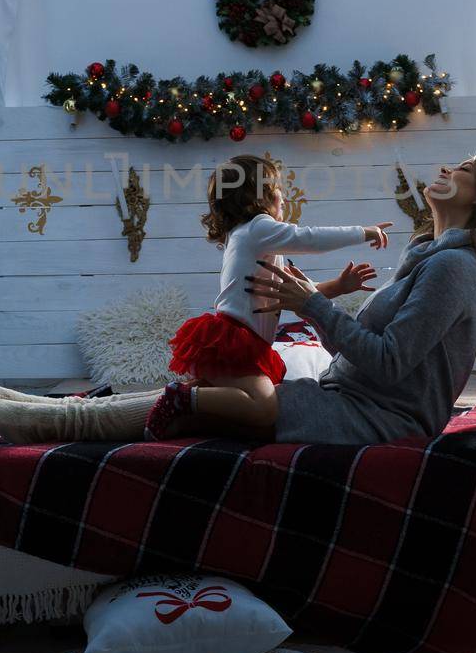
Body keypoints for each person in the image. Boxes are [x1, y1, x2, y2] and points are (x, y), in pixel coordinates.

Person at [0, 155, 476, 445]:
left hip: (379, 423)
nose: (448, 168)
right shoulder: (434, 258)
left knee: (207, 404)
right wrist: (319, 298)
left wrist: (314, 302)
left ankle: (42, 420)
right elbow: (370, 346)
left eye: (465, 170)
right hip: (352, 402)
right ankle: (42, 410)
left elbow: (388, 359)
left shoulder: (454, 268)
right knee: (212, 397)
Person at [143, 153, 390, 439]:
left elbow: (302, 291)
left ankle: (183, 412)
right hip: (234, 341)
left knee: (254, 421)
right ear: (258, 195)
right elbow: (307, 237)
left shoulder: (259, 242)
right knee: (265, 407)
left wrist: (339, 285)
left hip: (247, 342)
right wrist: (363, 232)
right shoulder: (258, 228)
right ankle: (182, 397)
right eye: (277, 188)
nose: (283, 197)